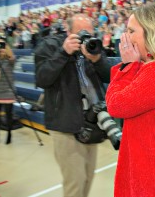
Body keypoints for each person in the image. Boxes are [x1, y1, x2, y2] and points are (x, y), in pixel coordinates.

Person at [106, 3, 155, 197]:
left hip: (151, 179)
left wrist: (127, 65)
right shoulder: (149, 68)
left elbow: (116, 105)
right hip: (142, 171)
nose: (126, 37)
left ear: (151, 32)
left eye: (131, 31)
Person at [34, 14, 111, 197]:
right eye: (81, 33)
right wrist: (63, 53)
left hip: (92, 122)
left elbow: (110, 76)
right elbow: (42, 79)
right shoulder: (50, 45)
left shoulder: (93, 46)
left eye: (90, 32)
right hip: (66, 123)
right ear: (68, 31)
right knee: (74, 183)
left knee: (87, 179)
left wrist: (96, 59)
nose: (86, 36)